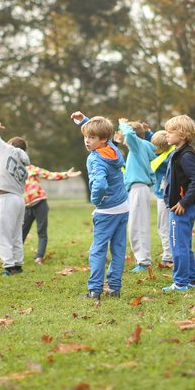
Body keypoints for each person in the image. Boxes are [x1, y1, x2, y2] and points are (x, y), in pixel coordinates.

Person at [71, 111, 128, 299]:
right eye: (86, 136)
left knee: (98, 250)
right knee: (118, 249)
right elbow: (102, 132)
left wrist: (96, 200)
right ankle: (114, 289)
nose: (87, 141)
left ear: (103, 139)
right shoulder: (112, 149)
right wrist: (85, 121)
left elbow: (101, 184)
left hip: (107, 210)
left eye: (92, 137)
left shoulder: (95, 158)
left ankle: (95, 290)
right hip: (122, 207)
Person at [161, 115, 195, 292]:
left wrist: (183, 202)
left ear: (183, 134)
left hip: (181, 208)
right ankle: (193, 280)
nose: (167, 135)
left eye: (170, 132)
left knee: (177, 244)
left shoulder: (186, 155)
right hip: (178, 206)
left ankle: (180, 282)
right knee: (183, 244)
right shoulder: (177, 153)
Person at [0, 122, 30, 276]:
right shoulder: (23, 164)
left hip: (7, 198)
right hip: (19, 200)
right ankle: (18, 265)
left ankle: (8, 266)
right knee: (16, 234)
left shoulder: (7, 149)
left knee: (2, 233)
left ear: (11, 144)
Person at [22, 163, 81, 265]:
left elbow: (48, 175)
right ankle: (14, 257)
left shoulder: (31, 168)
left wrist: (66, 175)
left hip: (40, 203)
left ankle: (39, 257)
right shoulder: (12, 172)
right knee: (22, 232)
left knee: (42, 231)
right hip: (26, 206)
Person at [118, 118, 157, 273]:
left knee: (137, 226)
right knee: (137, 225)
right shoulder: (145, 146)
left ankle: (143, 262)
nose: (124, 141)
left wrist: (123, 124)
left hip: (138, 189)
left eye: (124, 138)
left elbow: (130, 135)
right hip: (138, 189)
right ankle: (142, 259)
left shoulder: (137, 146)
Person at [150, 130, 175, 268]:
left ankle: (168, 255)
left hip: (163, 197)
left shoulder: (162, 160)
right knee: (169, 225)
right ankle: (171, 253)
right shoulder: (171, 153)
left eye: (155, 147)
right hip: (168, 195)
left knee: (163, 227)